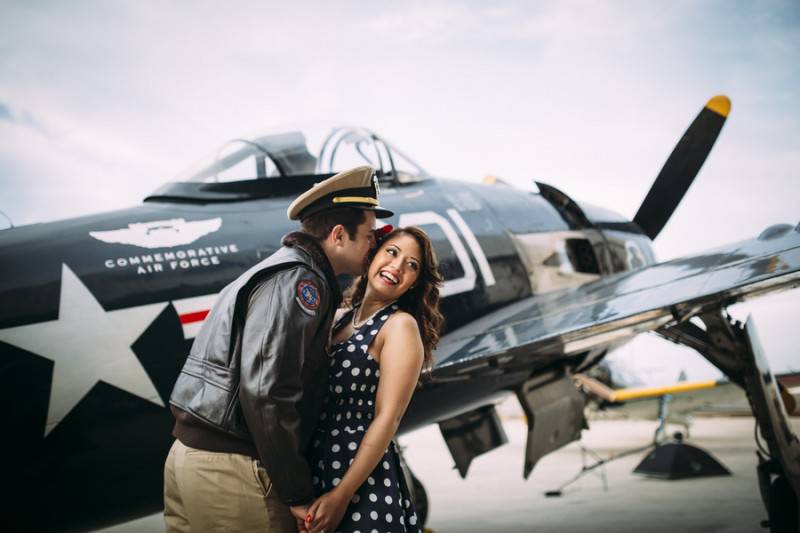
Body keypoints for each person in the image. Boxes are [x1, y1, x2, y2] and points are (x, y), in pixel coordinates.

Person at [163, 165, 393, 533]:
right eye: (368, 235)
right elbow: (267, 391)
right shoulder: (300, 281)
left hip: (193, 460)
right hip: (233, 473)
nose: (374, 245)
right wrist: (298, 494)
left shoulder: (273, 270)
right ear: (338, 235)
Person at [304, 226, 444, 533]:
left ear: (414, 284)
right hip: (314, 466)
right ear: (372, 257)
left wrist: (342, 495)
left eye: (412, 266)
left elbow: (387, 419)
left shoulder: (400, 326)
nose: (397, 267)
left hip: (359, 478)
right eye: (392, 253)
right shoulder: (337, 317)